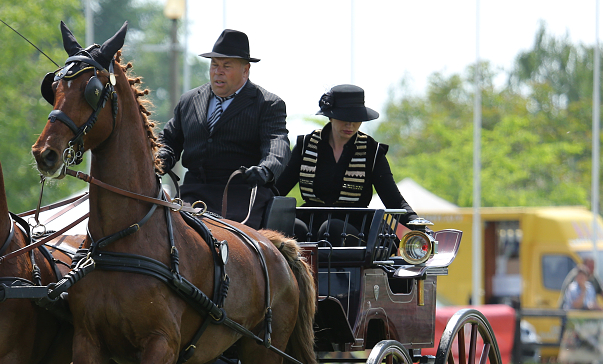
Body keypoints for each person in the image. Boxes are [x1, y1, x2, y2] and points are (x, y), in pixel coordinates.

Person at [157, 29, 290, 228]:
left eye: (226, 66)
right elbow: (168, 139)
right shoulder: (189, 100)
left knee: (232, 244)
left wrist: (265, 170)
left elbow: (277, 143)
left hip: (242, 196)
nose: (218, 71)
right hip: (192, 194)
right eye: (214, 65)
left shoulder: (267, 104)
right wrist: (160, 158)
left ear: (246, 70)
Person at [275, 85, 418, 225]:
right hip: (311, 221)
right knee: (292, 228)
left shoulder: (372, 151)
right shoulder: (306, 145)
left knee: (332, 228)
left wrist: (416, 222)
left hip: (354, 227)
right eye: (344, 118)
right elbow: (278, 190)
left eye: (356, 119)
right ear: (330, 117)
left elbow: (393, 199)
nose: (350, 125)